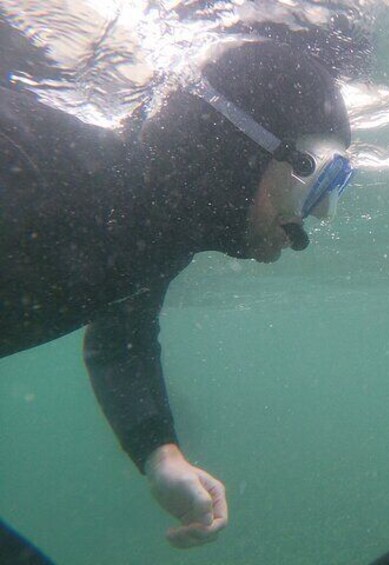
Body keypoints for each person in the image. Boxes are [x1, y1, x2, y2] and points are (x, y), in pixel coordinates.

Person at [0, 39, 353, 561]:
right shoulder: (28, 160)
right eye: (319, 175)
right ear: (239, 148)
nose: (322, 213)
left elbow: (121, 339)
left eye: (339, 184)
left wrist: (160, 455)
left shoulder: (151, 228)